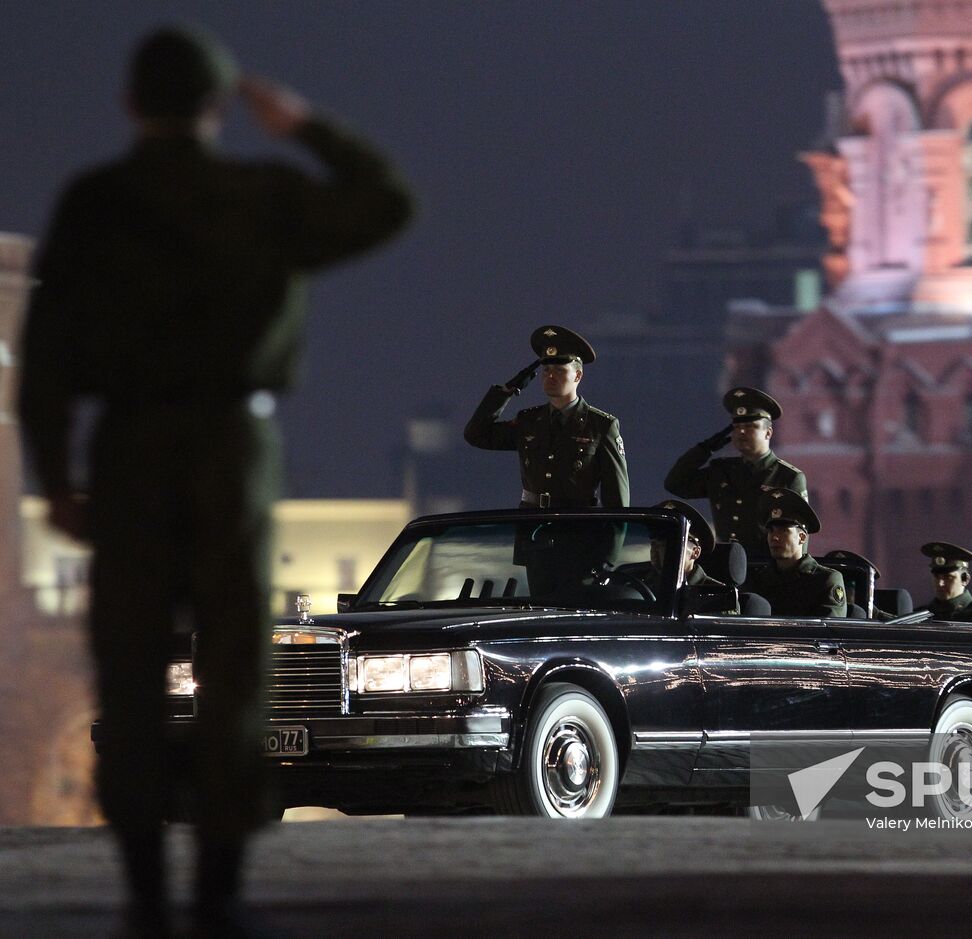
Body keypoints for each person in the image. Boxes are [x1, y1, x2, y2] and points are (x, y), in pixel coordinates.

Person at [18, 26, 412, 938]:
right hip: (233, 444)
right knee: (233, 669)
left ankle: (146, 892)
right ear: (220, 105)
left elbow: (45, 361)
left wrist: (59, 478)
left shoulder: (96, 203)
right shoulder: (262, 195)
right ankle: (220, 892)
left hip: (129, 447)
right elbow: (388, 203)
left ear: (130, 104)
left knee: (130, 669)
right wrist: (305, 127)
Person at [464, 325, 628, 509]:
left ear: (578, 375)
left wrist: (611, 528)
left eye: (559, 370)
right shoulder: (529, 420)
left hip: (577, 524)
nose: (550, 376)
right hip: (532, 523)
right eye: (546, 370)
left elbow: (616, 499)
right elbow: (476, 435)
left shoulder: (600, 426)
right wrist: (505, 392)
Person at [663, 386, 806, 558]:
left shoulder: (787, 476)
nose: (741, 432)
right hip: (725, 563)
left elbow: (800, 536)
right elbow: (675, 484)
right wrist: (705, 448)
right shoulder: (722, 470)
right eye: (737, 427)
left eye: (750, 426)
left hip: (764, 566)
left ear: (768, 433)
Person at [749, 488, 846, 618]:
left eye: (783, 531)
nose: (774, 537)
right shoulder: (757, 580)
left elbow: (829, 628)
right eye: (771, 531)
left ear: (802, 537)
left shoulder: (824, 580)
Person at [647, 499, 736, 613]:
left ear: (695, 552)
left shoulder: (718, 596)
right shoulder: (644, 584)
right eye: (654, 544)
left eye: (669, 545)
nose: (656, 551)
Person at [922, 541, 972, 625]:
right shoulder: (920, 615)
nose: (940, 583)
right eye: (936, 577)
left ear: (965, 579)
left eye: (948, 577)